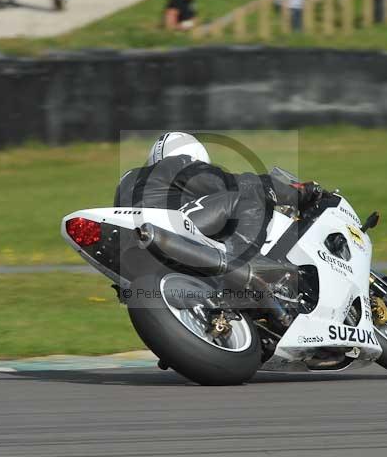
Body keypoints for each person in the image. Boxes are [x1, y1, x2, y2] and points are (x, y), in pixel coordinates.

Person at [114, 132, 321, 327]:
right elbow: (236, 184)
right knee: (249, 194)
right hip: (169, 228)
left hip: (133, 253)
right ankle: (248, 260)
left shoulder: (127, 181)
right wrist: (297, 194)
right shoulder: (177, 164)